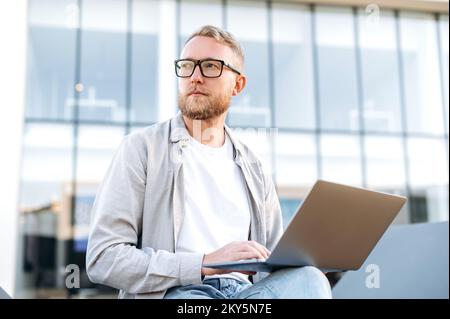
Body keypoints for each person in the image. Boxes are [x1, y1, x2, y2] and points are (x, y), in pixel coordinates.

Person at [86, 25, 331, 299]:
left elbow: (276, 262)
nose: (196, 77)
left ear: (238, 85)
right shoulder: (142, 148)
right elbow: (104, 258)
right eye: (188, 66)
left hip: (247, 295)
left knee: (309, 279)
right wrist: (203, 263)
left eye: (211, 67)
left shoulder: (255, 168)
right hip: (176, 292)